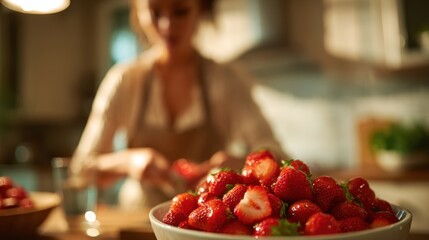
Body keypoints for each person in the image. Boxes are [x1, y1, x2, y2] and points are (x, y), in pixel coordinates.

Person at [70, 0, 287, 210]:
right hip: (138, 217)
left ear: (200, 8)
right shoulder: (124, 80)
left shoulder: (225, 80)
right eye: (155, 13)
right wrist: (129, 162)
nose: (167, 25)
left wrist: (239, 164)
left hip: (204, 223)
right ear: (139, 12)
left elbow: (277, 154)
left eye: (180, 11)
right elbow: (80, 169)